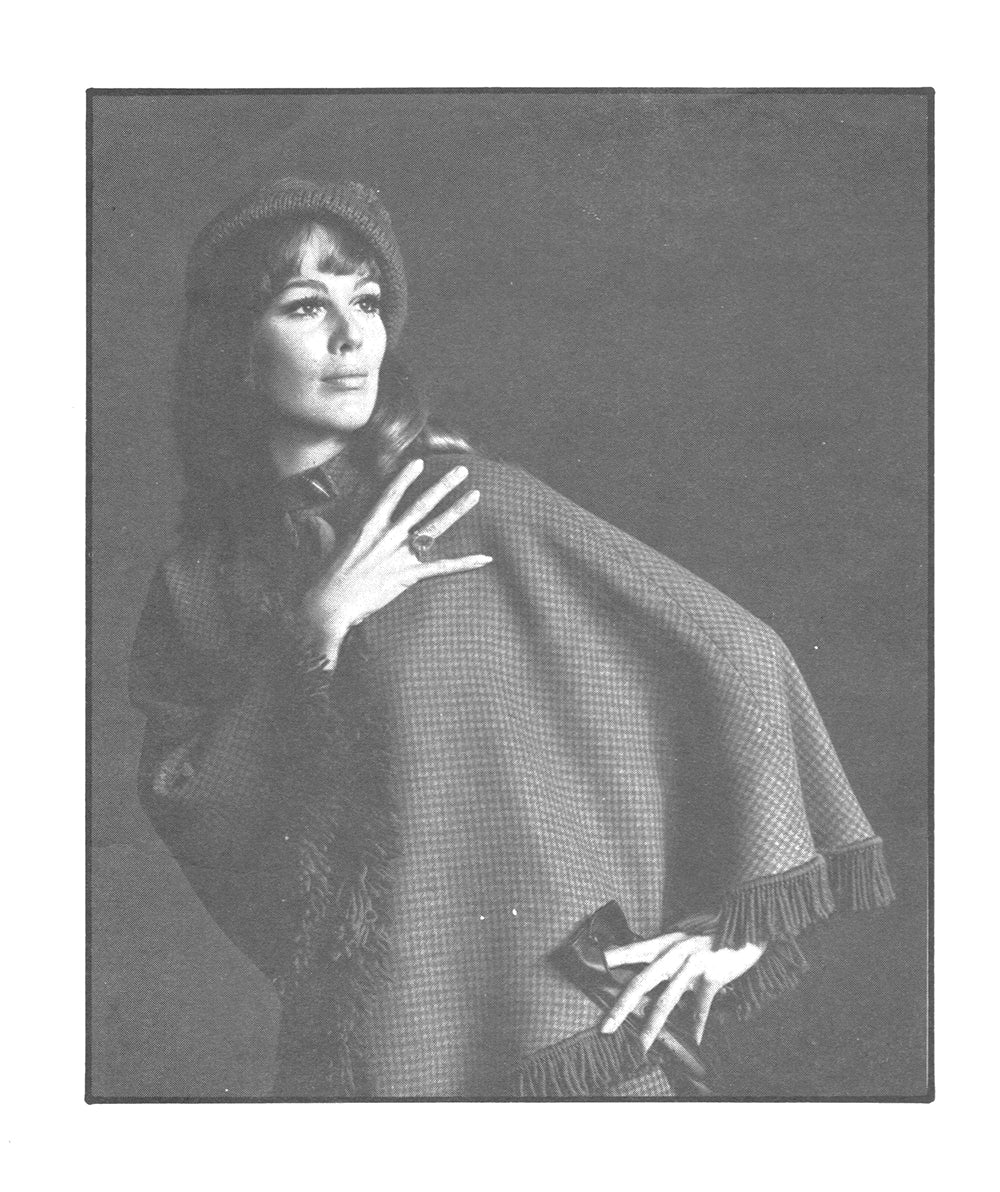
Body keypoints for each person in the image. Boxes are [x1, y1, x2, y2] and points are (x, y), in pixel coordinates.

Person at [129, 177, 895, 1098]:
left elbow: (741, 654)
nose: (351, 336)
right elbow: (201, 813)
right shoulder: (202, 580)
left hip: (561, 1043)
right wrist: (319, 626)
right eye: (305, 306)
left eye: (366, 302)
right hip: (364, 1055)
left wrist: (743, 929)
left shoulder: (470, 504)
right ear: (235, 349)